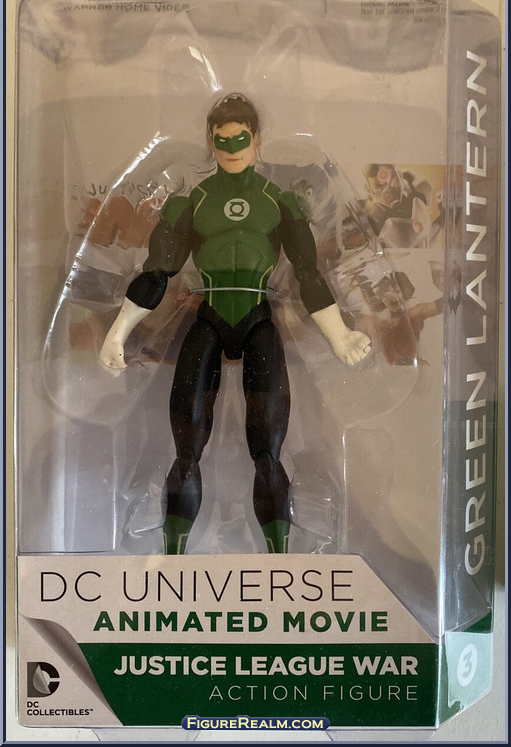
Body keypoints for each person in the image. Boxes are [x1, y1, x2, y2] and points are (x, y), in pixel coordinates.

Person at [100, 94, 371, 554]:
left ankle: (280, 559)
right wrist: (117, 335)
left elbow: (308, 274)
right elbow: (157, 272)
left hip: (258, 318)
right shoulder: (192, 202)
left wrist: (340, 336)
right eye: (221, 140)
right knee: (187, 451)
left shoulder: (280, 202)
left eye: (240, 138)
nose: (231, 148)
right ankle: (172, 555)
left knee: (267, 451)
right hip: (208, 317)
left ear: (256, 139)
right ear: (210, 141)